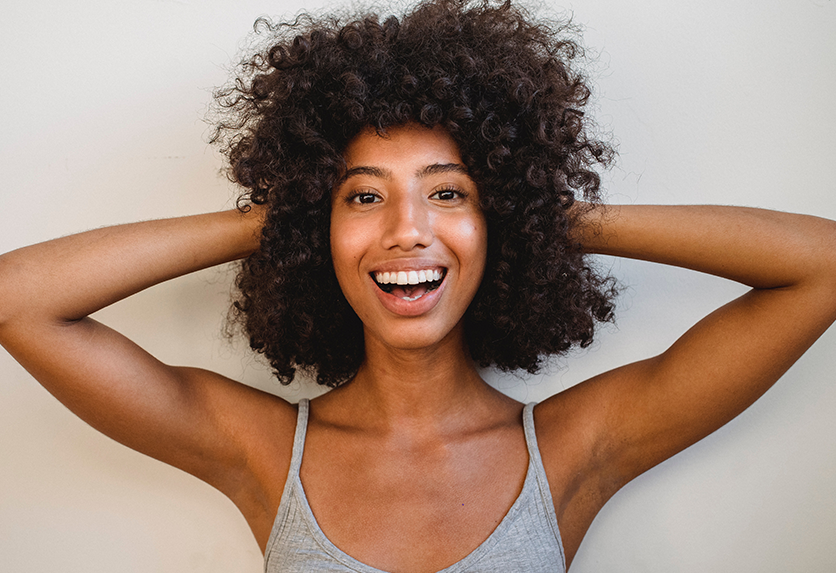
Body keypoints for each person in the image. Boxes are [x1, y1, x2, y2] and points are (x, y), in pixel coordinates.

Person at [0, 0, 834, 571]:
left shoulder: (575, 449)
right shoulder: (262, 451)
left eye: (448, 192)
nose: (406, 229)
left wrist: (538, 211)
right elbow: (18, 299)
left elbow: (820, 265)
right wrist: (289, 212)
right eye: (364, 195)